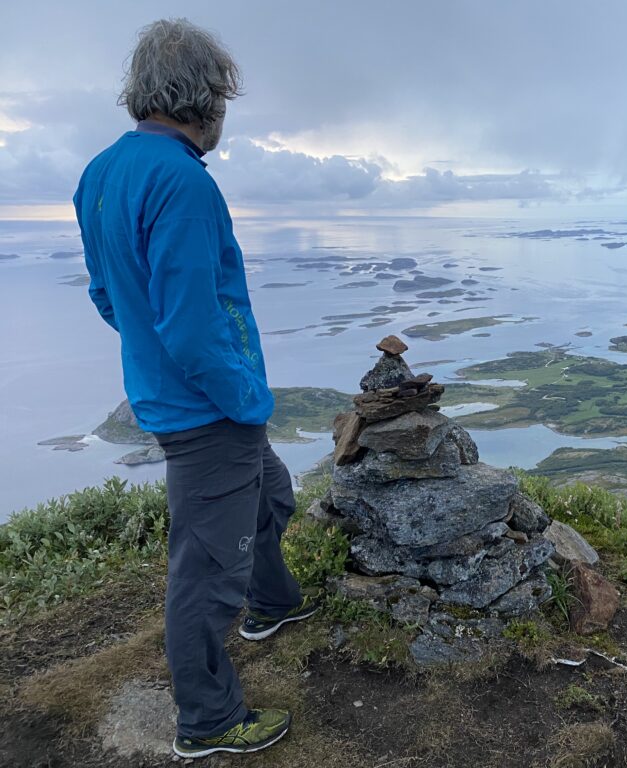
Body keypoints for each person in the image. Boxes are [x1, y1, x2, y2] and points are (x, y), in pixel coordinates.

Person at [73, 18, 317, 759]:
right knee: (207, 571)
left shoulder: (102, 173)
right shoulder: (181, 182)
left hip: (183, 397)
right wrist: (244, 398)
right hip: (209, 410)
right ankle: (209, 719)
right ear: (202, 99)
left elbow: (107, 295)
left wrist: (154, 354)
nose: (224, 115)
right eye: (222, 99)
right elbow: (190, 325)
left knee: (271, 497)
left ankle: (273, 605)